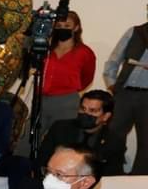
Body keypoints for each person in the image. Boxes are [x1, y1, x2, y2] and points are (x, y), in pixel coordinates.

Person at [37, 90, 126, 177]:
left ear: (106, 116)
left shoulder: (114, 141)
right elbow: (42, 160)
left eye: (92, 110)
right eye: (83, 109)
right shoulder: (60, 128)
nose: (86, 113)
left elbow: (113, 175)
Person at [37, 11, 96, 139]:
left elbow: (87, 78)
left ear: (76, 27)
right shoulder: (46, 49)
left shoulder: (85, 52)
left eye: (67, 25)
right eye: (59, 26)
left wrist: (69, 87)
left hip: (66, 102)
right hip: (41, 99)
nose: (62, 28)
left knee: (60, 140)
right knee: (28, 140)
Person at [105, 14, 148, 174]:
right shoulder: (135, 32)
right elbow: (113, 61)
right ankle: (111, 174)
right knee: (113, 137)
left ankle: (139, 180)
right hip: (125, 94)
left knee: (146, 143)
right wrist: (112, 85)